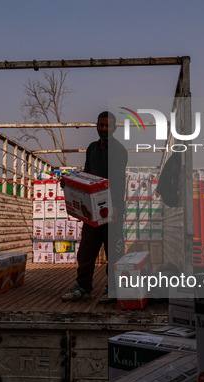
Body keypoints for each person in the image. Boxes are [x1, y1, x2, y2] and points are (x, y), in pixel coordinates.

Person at [61, 111, 128, 303]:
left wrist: (114, 208)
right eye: (102, 125)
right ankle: (83, 287)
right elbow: (87, 175)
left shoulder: (119, 150)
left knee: (113, 252)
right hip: (93, 210)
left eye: (108, 126)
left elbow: (118, 182)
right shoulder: (92, 149)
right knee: (86, 252)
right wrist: (71, 183)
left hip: (111, 210)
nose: (104, 129)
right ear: (96, 126)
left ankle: (113, 289)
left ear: (115, 128)